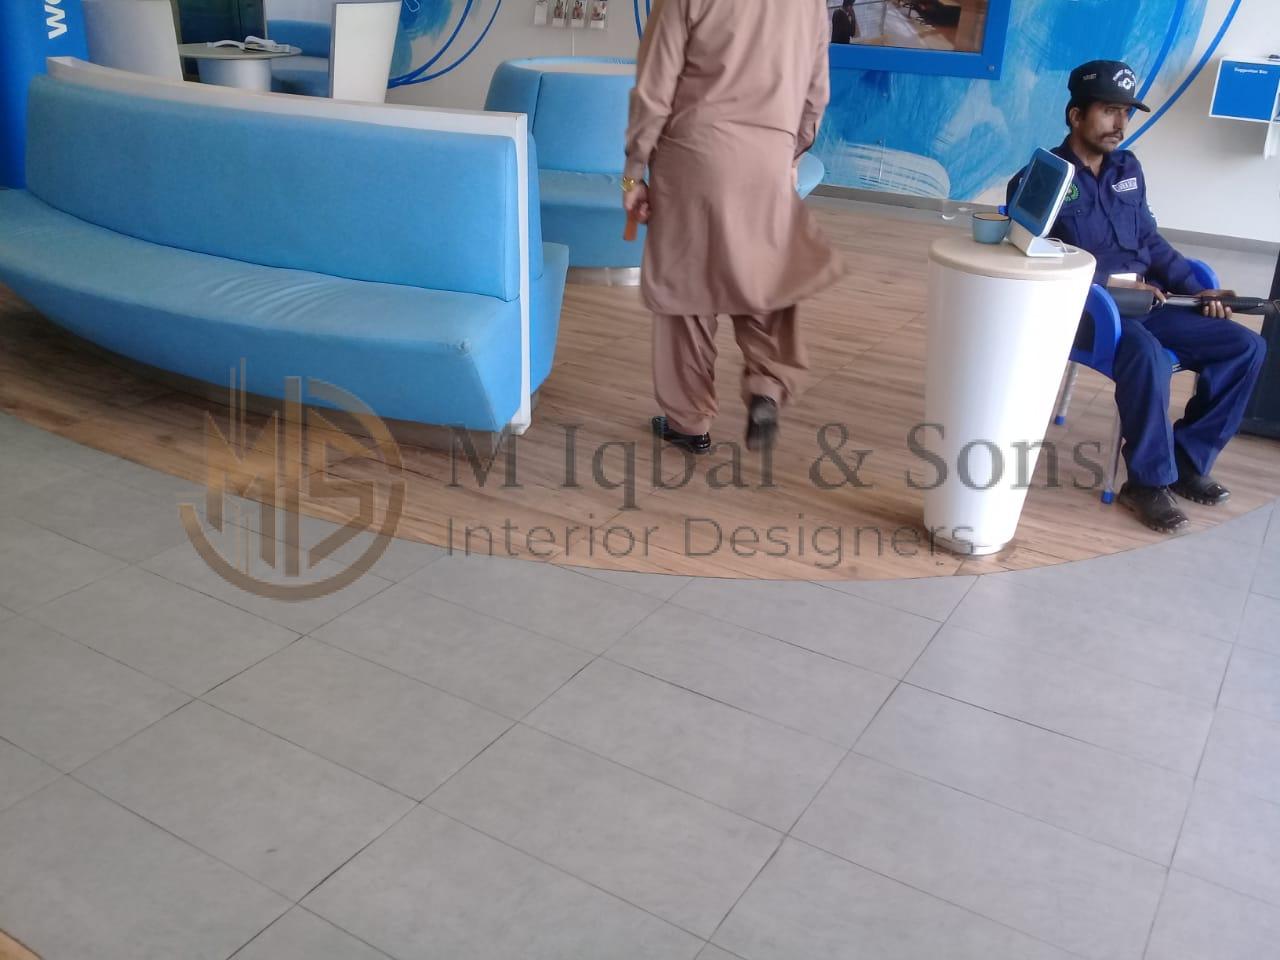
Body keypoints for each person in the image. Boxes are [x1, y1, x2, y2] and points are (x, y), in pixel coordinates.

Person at [1008, 60, 1267, 534]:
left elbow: (1149, 240)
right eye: (1109, 111)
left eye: (1126, 113)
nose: (1120, 124)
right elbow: (1030, 260)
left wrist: (1197, 287)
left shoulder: (1128, 168)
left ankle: (1187, 460)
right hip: (1088, 311)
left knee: (1245, 346)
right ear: (1076, 116)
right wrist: (1112, 285)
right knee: (1145, 354)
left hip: (1148, 306)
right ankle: (1147, 483)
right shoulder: (1042, 178)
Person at [623, 0, 843, 454]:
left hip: (693, 155)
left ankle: (688, 421)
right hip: (769, 156)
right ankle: (766, 387)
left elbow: (654, 87)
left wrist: (633, 170)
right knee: (762, 282)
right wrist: (790, 152)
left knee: (686, 290)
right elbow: (816, 93)